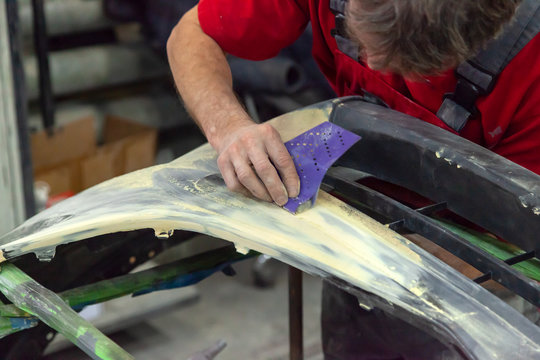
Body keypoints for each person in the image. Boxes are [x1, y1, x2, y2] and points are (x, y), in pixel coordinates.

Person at [167, 0, 540, 358]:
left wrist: (407, 266)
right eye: (356, 32)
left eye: (403, 56)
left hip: (471, 274)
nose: (372, 61)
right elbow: (195, 33)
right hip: (359, 240)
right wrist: (229, 126)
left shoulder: (530, 57)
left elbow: (519, 248)